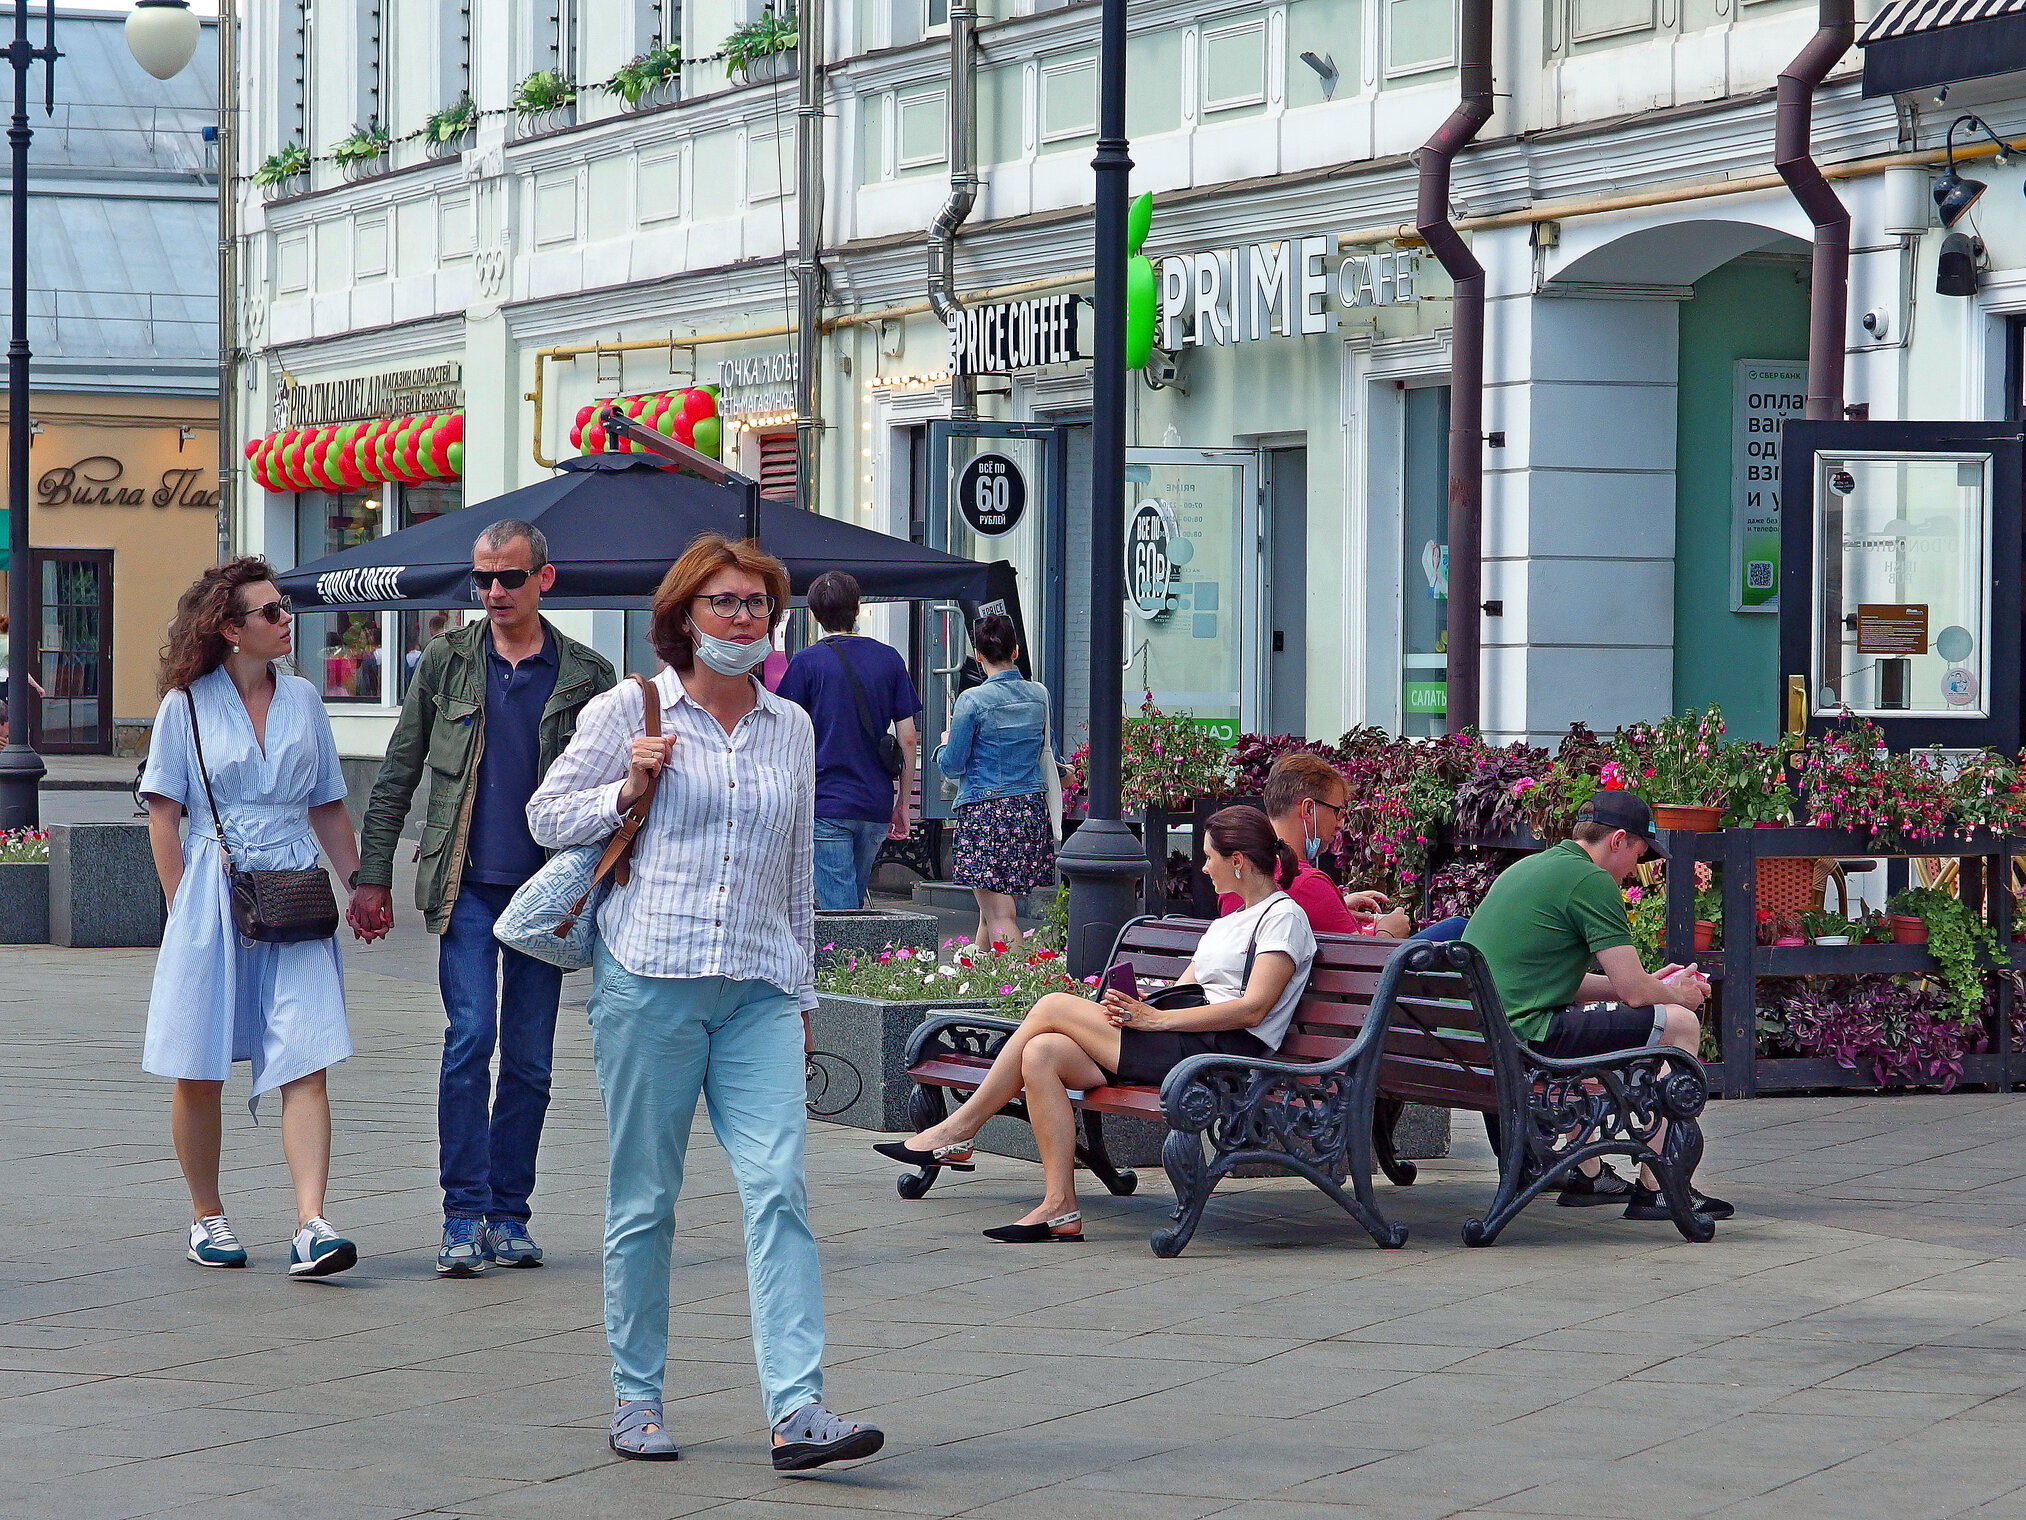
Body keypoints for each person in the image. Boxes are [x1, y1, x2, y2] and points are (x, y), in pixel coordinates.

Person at [527, 533, 883, 1471]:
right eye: (725, 604)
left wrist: (804, 993)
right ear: (685, 617)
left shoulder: (791, 724)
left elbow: (796, 868)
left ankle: (798, 1409)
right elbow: (544, 815)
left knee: (779, 1189)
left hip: (760, 989)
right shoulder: (629, 708)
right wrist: (625, 786)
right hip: (651, 983)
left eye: (759, 605)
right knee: (646, 1198)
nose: (744, 620)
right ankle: (636, 1398)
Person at [350, 520, 616, 1278]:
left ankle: (508, 1214)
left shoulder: (587, 677)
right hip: (464, 883)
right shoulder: (444, 661)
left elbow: (613, 794)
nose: (493, 592)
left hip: (546, 895)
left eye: (508, 578)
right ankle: (461, 1214)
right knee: (470, 1040)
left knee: (529, 1059)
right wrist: (374, 876)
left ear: (544, 579)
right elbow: (399, 772)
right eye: (482, 580)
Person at [879, 805, 1316, 1240]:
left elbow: (1254, 1008)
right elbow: (1184, 988)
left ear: (1237, 861)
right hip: (1183, 1038)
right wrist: (1137, 1005)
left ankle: (960, 1129)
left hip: (1221, 1054)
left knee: (1052, 1006)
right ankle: (1059, 1208)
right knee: (1042, 1053)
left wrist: (1156, 1020)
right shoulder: (1230, 920)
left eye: (1210, 857)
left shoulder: (1283, 917)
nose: (1204, 867)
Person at [138, 558, 372, 1278]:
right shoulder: (188, 704)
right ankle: (207, 1217)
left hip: (295, 883)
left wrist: (360, 884)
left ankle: (312, 1223)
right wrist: (181, 907)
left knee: (309, 1051)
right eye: (270, 611)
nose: (285, 619)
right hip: (215, 881)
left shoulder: (303, 699)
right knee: (198, 1058)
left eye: (284, 608)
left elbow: (327, 804)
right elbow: (164, 814)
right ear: (230, 629)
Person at [1462, 790, 1731, 1220]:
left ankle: (1585, 1171)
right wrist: (1675, 994)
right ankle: (1659, 1187)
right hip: (1525, 1041)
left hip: (1474, 1044)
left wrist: (1651, 982)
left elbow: (1561, 984)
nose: (1634, 873)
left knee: (1645, 1015)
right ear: (1618, 840)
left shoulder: (1532, 867)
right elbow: (1635, 994)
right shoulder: (1592, 881)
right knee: (1678, 1023)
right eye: (1639, 856)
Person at [776, 570, 920, 911]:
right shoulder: (889, 659)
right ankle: (863, 964)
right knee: (852, 903)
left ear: (813, 614)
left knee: (840, 915)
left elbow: (783, 736)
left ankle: (850, 964)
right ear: (858, 608)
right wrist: (902, 804)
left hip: (825, 801)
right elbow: (908, 738)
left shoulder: (805, 663)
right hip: (875, 803)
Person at [1216, 752, 1468, 941]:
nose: (1341, 821)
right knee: (1458, 927)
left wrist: (1338, 905)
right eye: (1337, 810)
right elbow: (1362, 972)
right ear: (1308, 809)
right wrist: (1388, 932)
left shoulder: (1241, 875)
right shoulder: (1309, 884)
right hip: (1352, 1004)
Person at [934, 613, 1056, 950]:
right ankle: (978, 976)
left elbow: (952, 764)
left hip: (987, 813)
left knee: (1000, 912)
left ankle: (1014, 985)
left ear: (978, 655)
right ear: (1015, 651)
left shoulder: (972, 701)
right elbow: (1048, 750)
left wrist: (944, 743)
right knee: (989, 909)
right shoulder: (1039, 696)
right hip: (1029, 811)